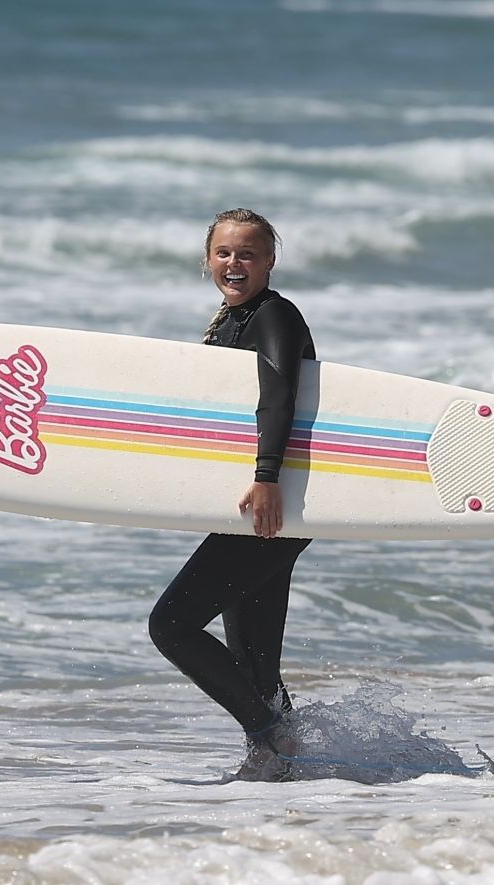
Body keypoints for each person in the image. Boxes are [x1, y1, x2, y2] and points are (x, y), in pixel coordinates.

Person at [148, 208, 316, 781]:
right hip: (265, 500)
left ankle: (272, 735)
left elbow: (279, 397)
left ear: (270, 262)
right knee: (255, 660)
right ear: (207, 259)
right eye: (224, 253)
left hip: (273, 498)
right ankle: (281, 766)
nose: (234, 264)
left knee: (171, 625)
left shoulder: (275, 317)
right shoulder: (231, 320)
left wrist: (267, 476)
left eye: (248, 254)